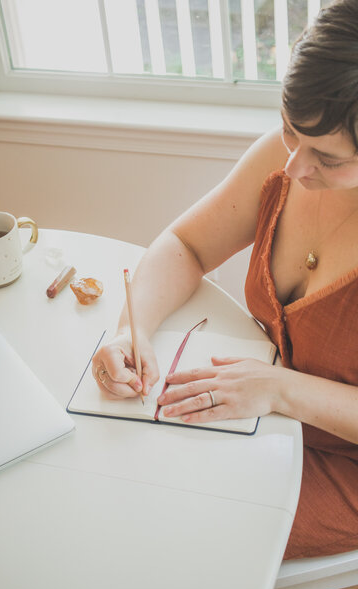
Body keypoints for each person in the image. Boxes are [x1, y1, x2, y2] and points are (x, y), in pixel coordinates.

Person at [92, 0, 358, 560]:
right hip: (260, 409)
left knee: (170, 529)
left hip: (343, 463)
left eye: (326, 159)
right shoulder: (288, 158)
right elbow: (185, 245)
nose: (293, 170)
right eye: (289, 131)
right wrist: (128, 331)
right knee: (112, 470)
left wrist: (282, 388)